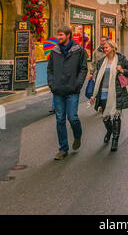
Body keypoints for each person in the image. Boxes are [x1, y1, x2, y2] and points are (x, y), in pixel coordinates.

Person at [47, 26, 88, 160]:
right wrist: (52, 85)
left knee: (73, 117)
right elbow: (50, 69)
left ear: (68, 35)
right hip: (58, 90)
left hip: (72, 90)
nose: (58, 38)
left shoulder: (79, 51)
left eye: (61, 35)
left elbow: (83, 69)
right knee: (60, 120)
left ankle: (77, 135)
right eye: (58, 35)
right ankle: (63, 149)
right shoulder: (54, 51)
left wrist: (78, 85)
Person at [90, 40, 128, 152]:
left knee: (116, 117)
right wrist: (93, 95)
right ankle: (109, 131)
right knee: (105, 117)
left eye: (106, 47)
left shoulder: (121, 59)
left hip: (117, 92)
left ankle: (115, 139)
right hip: (103, 93)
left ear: (113, 48)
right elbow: (98, 80)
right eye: (103, 48)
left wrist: (122, 70)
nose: (104, 49)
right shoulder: (101, 62)